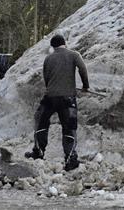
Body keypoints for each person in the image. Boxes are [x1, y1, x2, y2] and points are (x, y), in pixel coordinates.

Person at [25, 34, 89, 171]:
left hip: (50, 97)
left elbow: (46, 77)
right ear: (64, 43)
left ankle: (38, 152)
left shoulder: (49, 58)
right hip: (68, 98)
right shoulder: (74, 55)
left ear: (53, 46)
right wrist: (85, 86)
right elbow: (82, 69)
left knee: (40, 121)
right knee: (69, 127)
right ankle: (70, 158)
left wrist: (52, 88)